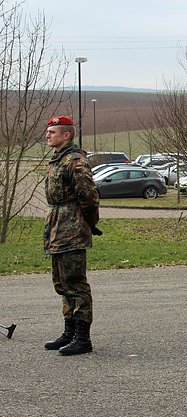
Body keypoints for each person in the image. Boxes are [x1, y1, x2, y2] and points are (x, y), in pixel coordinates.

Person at [43, 115, 100, 356]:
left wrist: (87, 223)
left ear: (67, 135)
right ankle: (69, 332)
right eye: (48, 132)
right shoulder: (57, 160)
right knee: (62, 283)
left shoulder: (74, 160)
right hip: (57, 226)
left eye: (53, 132)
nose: (48, 135)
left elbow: (88, 195)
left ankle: (82, 338)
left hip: (71, 227)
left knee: (76, 283)